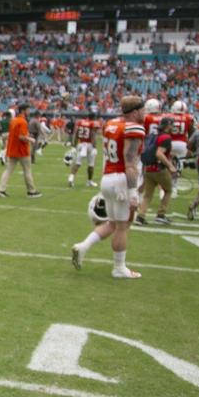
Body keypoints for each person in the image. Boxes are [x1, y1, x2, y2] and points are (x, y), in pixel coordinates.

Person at [71, 95, 146, 279]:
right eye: (143, 110)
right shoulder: (133, 127)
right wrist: (133, 193)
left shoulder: (112, 124)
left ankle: (83, 247)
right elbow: (130, 163)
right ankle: (119, 268)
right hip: (122, 180)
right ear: (135, 111)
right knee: (122, 226)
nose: (145, 113)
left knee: (112, 223)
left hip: (108, 177)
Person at [136, 116, 176, 226]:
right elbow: (159, 153)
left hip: (148, 168)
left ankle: (140, 216)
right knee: (168, 190)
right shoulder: (166, 137)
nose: (173, 127)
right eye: (172, 125)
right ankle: (161, 215)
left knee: (147, 195)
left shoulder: (152, 136)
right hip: (159, 169)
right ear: (168, 126)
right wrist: (170, 166)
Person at [0, 103, 40, 198]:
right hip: (21, 150)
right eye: (28, 110)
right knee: (27, 170)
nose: (29, 112)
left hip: (12, 149)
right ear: (23, 111)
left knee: (8, 170)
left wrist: (27, 136)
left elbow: (16, 134)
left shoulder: (14, 120)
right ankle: (31, 191)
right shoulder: (22, 121)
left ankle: (0, 190)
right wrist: (31, 139)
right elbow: (21, 137)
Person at [67, 109, 101, 189]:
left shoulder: (80, 122)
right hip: (89, 145)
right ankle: (89, 181)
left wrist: (74, 146)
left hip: (81, 144)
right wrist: (95, 147)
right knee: (91, 164)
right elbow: (93, 135)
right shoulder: (93, 123)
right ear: (94, 117)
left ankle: (71, 178)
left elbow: (76, 134)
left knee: (77, 163)